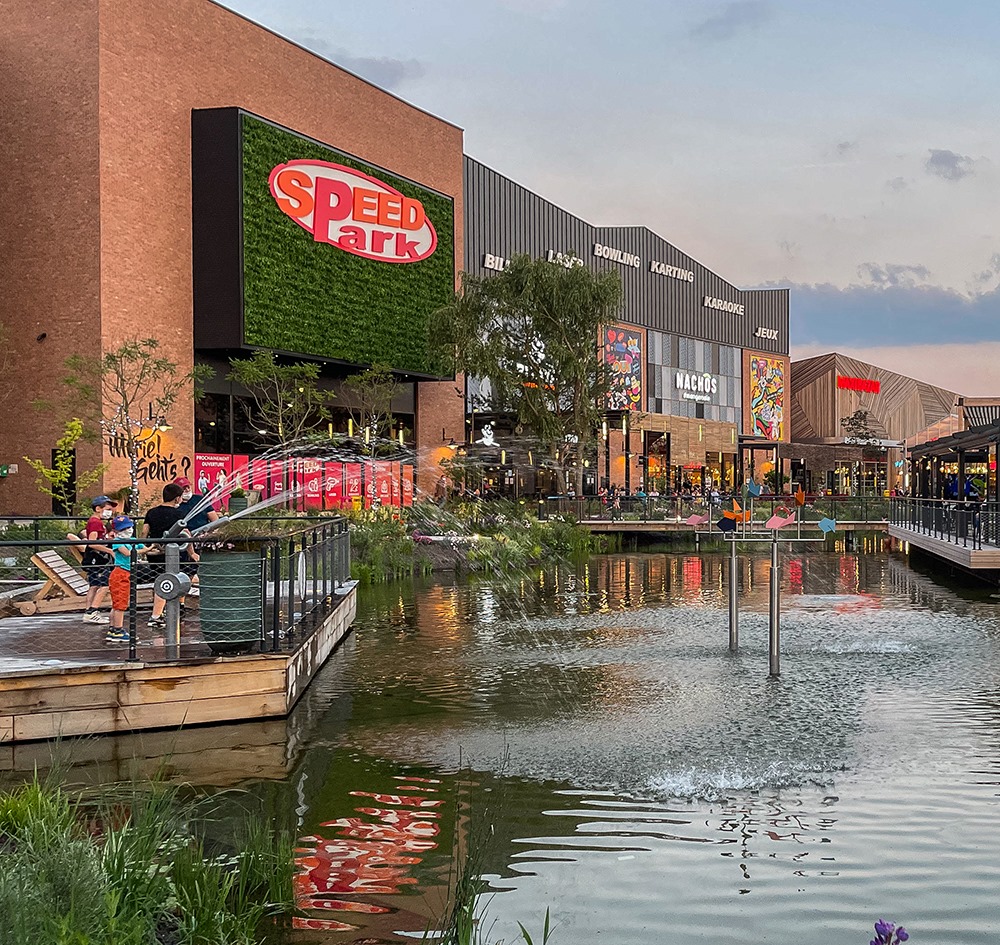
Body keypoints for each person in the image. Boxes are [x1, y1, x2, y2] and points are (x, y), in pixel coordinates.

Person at [142, 483, 195, 630]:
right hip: (175, 555)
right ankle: (156, 616)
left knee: (160, 581)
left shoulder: (151, 512)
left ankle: (163, 612)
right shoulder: (179, 515)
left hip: (155, 554)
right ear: (177, 498)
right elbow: (186, 535)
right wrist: (192, 553)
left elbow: (144, 533)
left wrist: (146, 549)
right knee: (170, 582)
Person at [107, 514, 145, 645]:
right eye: (124, 529)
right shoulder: (118, 542)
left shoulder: (132, 539)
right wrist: (148, 549)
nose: (128, 530)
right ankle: (118, 630)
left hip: (128, 573)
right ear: (116, 531)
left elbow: (143, 548)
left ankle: (112, 629)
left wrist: (154, 548)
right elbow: (128, 553)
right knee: (120, 605)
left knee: (117, 603)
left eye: (129, 527)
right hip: (120, 573)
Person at [79, 495, 117, 625]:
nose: (110, 512)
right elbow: (92, 542)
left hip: (94, 558)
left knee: (94, 585)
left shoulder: (95, 521)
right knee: (104, 585)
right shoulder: (96, 522)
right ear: (98, 508)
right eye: (107, 509)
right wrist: (109, 550)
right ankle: (93, 611)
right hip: (98, 558)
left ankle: (88, 611)